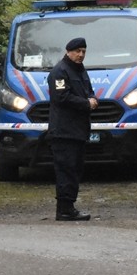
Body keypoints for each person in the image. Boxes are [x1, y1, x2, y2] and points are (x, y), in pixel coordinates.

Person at [47, 36, 96, 221]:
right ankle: (64, 209)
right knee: (66, 170)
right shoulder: (60, 71)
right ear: (68, 51)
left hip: (78, 130)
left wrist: (93, 99)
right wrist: (86, 103)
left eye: (83, 51)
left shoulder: (80, 70)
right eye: (77, 51)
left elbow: (88, 90)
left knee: (75, 170)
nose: (81, 55)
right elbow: (62, 97)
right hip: (64, 131)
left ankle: (69, 206)